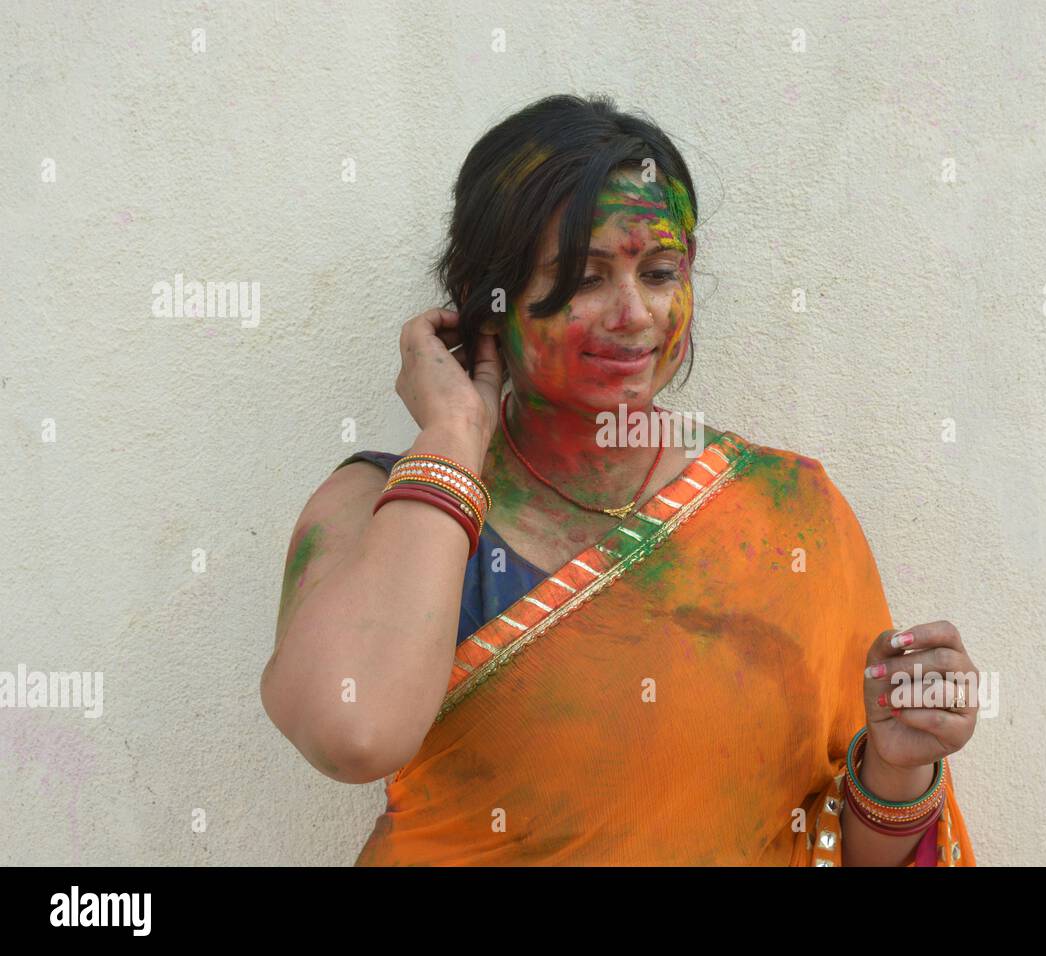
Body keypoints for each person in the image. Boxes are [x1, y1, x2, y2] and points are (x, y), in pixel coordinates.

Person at [260, 93, 979, 866]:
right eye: (584, 277)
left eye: (660, 272)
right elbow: (353, 733)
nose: (633, 314)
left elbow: (841, 845)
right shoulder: (377, 510)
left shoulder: (790, 516)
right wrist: (451, 437)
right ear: (488, 300)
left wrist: (901, 768)